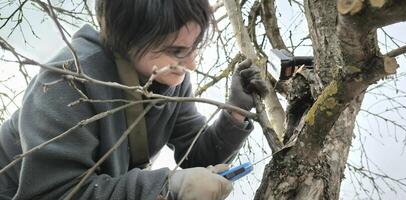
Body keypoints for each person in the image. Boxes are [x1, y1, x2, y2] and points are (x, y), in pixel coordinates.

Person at [0, 0, 268, 199]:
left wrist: (236, 110)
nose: (191, 64)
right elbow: (55, 193)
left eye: (195, 46)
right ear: (128, 39)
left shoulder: (168, 77)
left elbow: (196, 156)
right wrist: (166, 188)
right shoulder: (66, 82)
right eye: (177, 51)